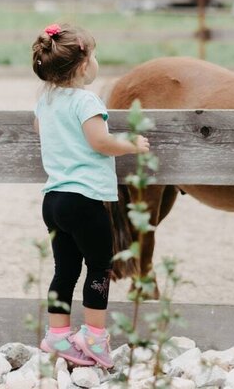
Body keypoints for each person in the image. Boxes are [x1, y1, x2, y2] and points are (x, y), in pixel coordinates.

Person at [32, 23, 150, 368]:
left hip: (53, 200)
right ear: (84, 66)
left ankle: (57, 335)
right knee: (99, 266)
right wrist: (133, 144)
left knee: (64, 268)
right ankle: (94, 338)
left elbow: (42, 129)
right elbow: (99, 141)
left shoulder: (46, 100)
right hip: (84, 199)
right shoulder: (87, 100)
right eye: (94, 54)